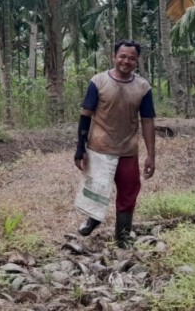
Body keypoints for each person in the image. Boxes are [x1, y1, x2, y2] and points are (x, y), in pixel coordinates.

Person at [74, 39, 156, 246]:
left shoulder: (143, 87)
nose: (126, 61)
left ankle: (122, 237)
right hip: (99, 147)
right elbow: (85, 115)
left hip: (128, 149)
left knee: (129, 191)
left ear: (137, 61)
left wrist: (151, 155)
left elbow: (147, 121)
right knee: (97, 189)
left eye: (131, 58)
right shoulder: (98, 82)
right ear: (114, 57)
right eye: (122, 56)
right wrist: (79, 148)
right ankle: (92, 220)